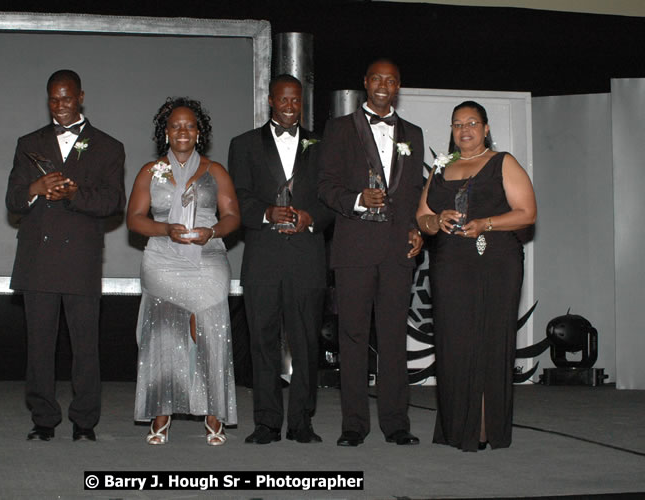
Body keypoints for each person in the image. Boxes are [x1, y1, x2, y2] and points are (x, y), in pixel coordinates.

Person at [6, 69, 126, 442]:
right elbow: (13, 200)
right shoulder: (29, 142)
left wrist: (74, 196)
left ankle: (84, 421)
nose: (60, 105)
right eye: (54, 99)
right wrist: (35, 188)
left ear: (81, 97)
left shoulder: (107, 145)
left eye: (67, 98)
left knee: (85, 346)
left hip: (81, 261)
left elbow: (113, 202)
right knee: (39, 347)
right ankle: (43, 419)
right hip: (38, 261)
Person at [416, 100, 537, 451]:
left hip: (494, 262)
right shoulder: (442, 166)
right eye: (457, 124)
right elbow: (421, 216)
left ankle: (485, 429)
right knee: (453, 344)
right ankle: (457, 428)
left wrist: (486, 223)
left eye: (472, 123)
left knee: (488, 342)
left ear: (486, 129)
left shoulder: (503, 162)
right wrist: (435, 221)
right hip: (450, 263)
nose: (464, 129)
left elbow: (527, 214)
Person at [317, 59, 424, 447]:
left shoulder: (413, 133)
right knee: (353, 338)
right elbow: (325, 187)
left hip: (397, 252)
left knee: (395, 339)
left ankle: (397, 424)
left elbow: (414, 192)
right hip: (354, 251)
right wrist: (357, 200)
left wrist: (418, 230)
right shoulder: (340, 129)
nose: (383, 85)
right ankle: (354, 425)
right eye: (376, 78)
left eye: (391, 79)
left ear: (398, 86)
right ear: (365, 83)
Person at [127, 97, 240, 446]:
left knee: (210, 329)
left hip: (207, 258)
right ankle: (162, 412)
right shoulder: (151, 171)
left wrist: (213, 232)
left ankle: (213, 412)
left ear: (199, 132)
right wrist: (166, 229)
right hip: (163, 259)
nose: (182, 131)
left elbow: (233, 217)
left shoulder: (215, 170)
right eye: (175, 125)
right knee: (163, 334)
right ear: (165, 132)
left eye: (190, 125)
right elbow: (134, 219)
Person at [229, 74, 333, 445]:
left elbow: (331, 198)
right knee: (262, 343)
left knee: (306, 344)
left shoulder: (322, 145)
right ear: (270, 101)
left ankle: (302, 422)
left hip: (307, 258)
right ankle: (267, 422)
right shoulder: (243, 145)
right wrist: (266, 213)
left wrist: (311, 218)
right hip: (263, 260)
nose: (290, 107)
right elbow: (236, 199)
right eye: (283, 100)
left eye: (296, 101)